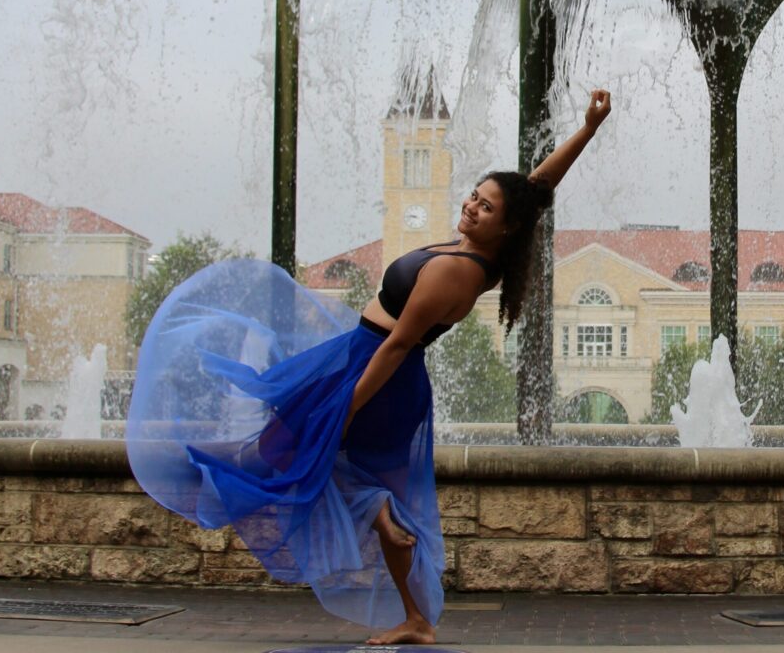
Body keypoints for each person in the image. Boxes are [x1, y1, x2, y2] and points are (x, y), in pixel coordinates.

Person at [126, 89, 611, 646]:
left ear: (505, 228)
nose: (473, 206)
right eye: (475, 196)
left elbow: (397, 346)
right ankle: (410, 601)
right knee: (307, 455)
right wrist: (588, 129)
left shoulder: (457, 272)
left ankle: (196, 473)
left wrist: (347, 403)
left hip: (377, 372)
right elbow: (537, 188)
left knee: (286, 450)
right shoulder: (481, 246)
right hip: (367, 363)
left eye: (485, 207)